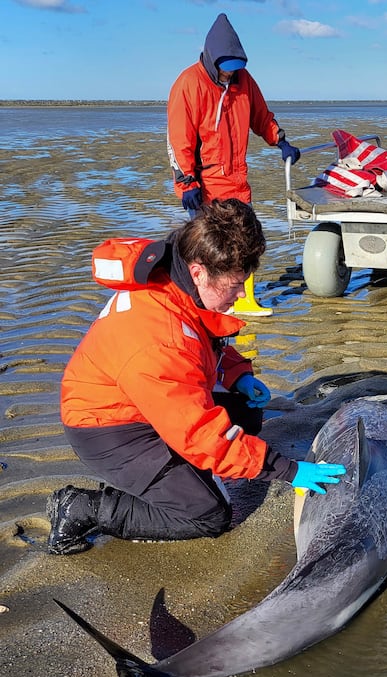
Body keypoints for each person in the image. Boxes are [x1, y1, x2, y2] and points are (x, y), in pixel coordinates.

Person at [46, 200, 345, 556]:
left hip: (144, 400)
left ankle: (178, 470)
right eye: (235, 286)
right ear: (200, 271)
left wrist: (236, 374)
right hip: (106, 427)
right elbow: (200, 432)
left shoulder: (175, 275)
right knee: (208, 515)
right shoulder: (159, 341)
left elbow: (202, 341)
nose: (239, 296)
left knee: (246, 414)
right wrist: (288, 470)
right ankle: (82, 508)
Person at [166, 13, 301, 316]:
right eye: (225, 71)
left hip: (237, 180)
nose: (230, 76)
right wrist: (187, 182)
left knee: (247, 242)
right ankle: (204, 305)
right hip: (204, 185)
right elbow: (178, 141)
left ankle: (245, 301)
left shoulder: (244, 82)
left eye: (235, 70)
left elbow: (261, 116)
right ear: (213, 60)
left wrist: (279, 140)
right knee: (210, 251)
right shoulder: (188, 85)